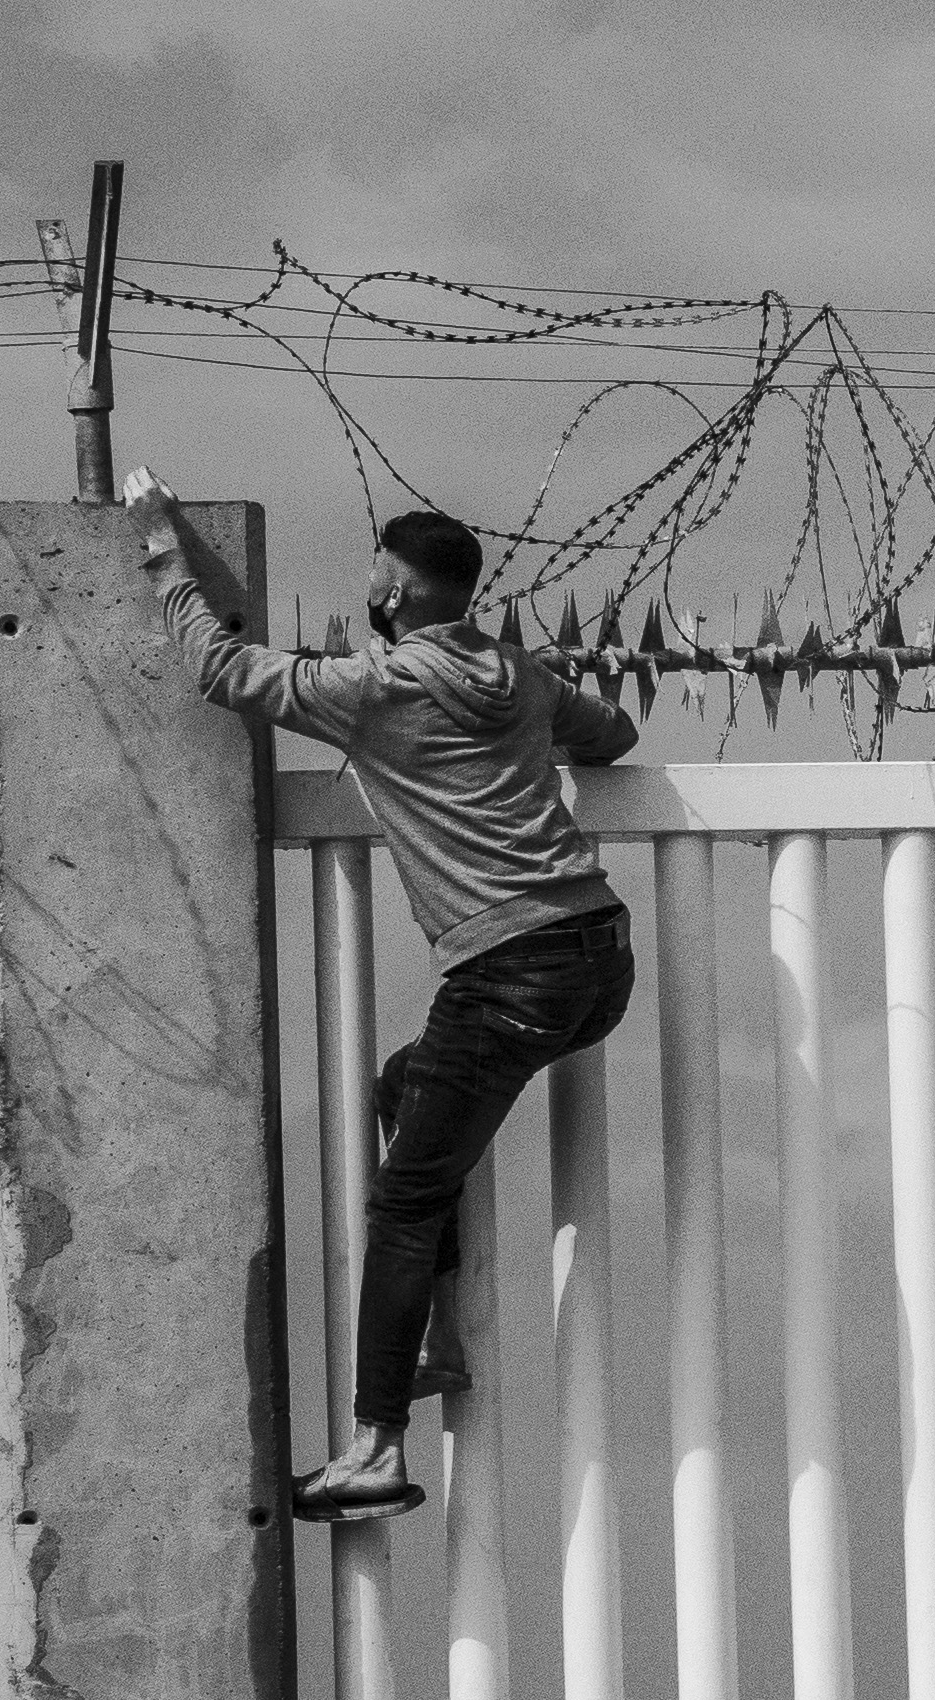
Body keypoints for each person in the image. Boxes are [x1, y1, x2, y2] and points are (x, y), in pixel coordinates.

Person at [128, 470, 639, 1521]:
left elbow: (224, 670)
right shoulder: (516, 673)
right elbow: (614, 737)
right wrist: (537, 736)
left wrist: (162, 547)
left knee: (402, 1204)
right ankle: (435, 1338)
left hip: (507, 970)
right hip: (597, 955)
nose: (368, 584)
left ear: (398, 592)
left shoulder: (378, 688)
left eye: (376, 572)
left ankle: (373, 1448)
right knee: (405, 1087)